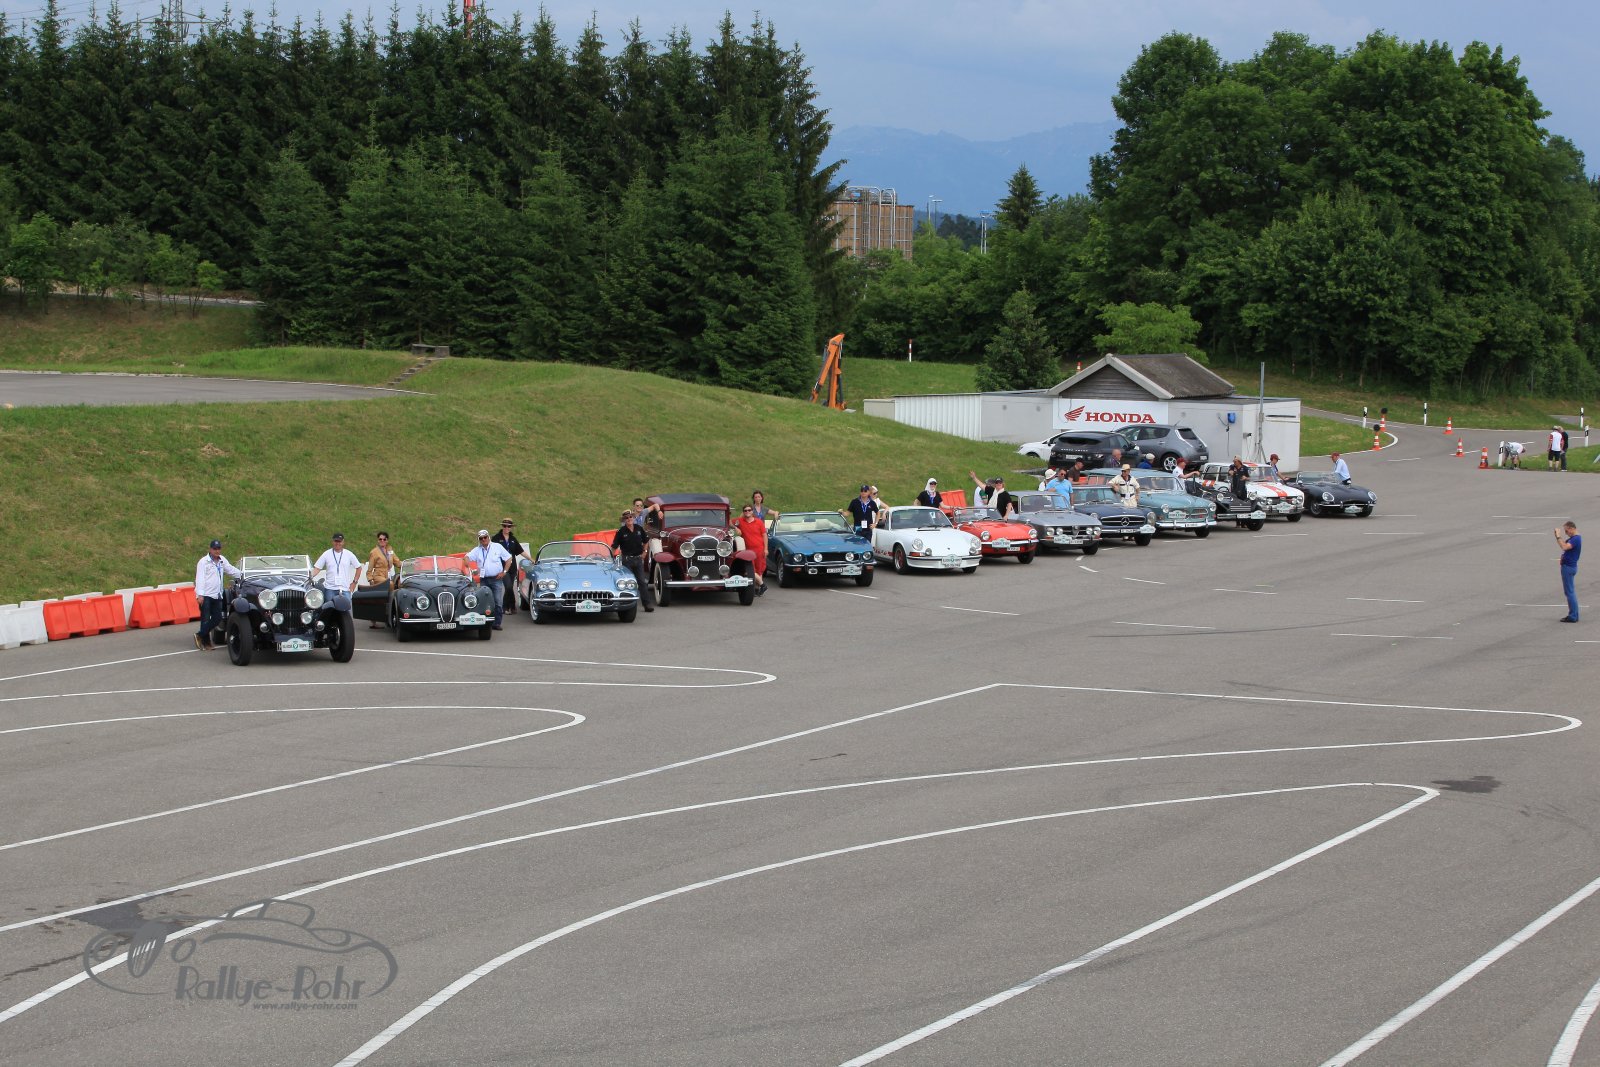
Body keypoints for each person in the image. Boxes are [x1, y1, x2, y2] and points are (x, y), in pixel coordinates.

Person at [193, 538, 241, 651]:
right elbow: (199, 579)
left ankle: (199, 635)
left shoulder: (222, 560)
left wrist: (243, 575)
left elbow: (231, 570)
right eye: (215, 549)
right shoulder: (203, 562)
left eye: (219, 548)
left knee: (217, 618)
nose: (217, 551)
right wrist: (200, 595)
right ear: (210, 549)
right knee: (205, 619)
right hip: (206, 595)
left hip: (217, 594)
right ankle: (206, 643)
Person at [468, 529, 514, 629]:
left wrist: (504, 572)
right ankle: (485, 623)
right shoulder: (477, 550)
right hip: (484, 579)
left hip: (496, 578)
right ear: (479, 540)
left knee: (498, 601)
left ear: (488, 537)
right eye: (481, 538)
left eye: (485, 537)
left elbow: (509, 558)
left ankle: (497, 623)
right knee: (484, 601)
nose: (483, 539)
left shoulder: (497, 547)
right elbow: (467, 557)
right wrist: (468, 566)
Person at [613, 510, 656, 612]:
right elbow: (614, 546)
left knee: (642, 582)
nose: (629, 519)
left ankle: (647, 604)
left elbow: (646, 541)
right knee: (628, 583)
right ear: (624, 520)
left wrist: (645, 552)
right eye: (626, 518)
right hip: (626, 560)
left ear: (633, 518)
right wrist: (611, 558)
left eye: (630, 517)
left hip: (638, 559)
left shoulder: (639, 528)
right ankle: (627, 605)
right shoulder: (621, 532)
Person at [492, 519, 531, 614]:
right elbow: (490, 551)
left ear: (511, 528)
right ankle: (505, 607)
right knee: (508, 586)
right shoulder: (496, 538)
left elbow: (521, 551)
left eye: (509, 526)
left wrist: (531, 559)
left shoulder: (513, 539)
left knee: (510, 587)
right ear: (502, 527)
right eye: (504, 526)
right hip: (502, 567)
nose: (506, 528)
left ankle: (512, 607)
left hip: (512, 567)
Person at [363, 532, 400, 628]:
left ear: (387, 540)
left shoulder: (390, 550)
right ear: (378, 540)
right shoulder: (374, 552)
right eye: (380, 539)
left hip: (386, 575)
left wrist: (408, 566)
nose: (382, 541)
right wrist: (370, 580)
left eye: (384, 539)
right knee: (390, 584)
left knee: (397, 585)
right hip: (378, 575)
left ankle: (389, 611)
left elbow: (397, 562)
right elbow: (369, 569)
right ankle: (391, 604)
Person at [735, 502, 769, 596]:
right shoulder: (740, 521)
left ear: (752, 511)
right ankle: (762, 585)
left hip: (759, 549)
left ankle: (757, 589)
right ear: (743, 512)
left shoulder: (759, 522)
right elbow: (729, 522)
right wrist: (736, 528)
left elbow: (764, 535)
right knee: (749, 570)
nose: (747, 512)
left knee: (759, 569)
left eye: (749, 510)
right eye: (745, 510)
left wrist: (766, 549)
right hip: (748, 551)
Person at [1557, 521, 1582, 622]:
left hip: (1568, 567)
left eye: (1566, 531)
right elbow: (1565, 546)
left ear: (1572, 528)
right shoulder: (1574, 538)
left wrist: (1558, 536)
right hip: (1570, 566)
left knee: (1570, 592)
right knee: (1570, 592)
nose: (1566, 533)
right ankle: (1574, 615)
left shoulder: (1576, 539)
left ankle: (1573, 616)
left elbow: (1564, 546)